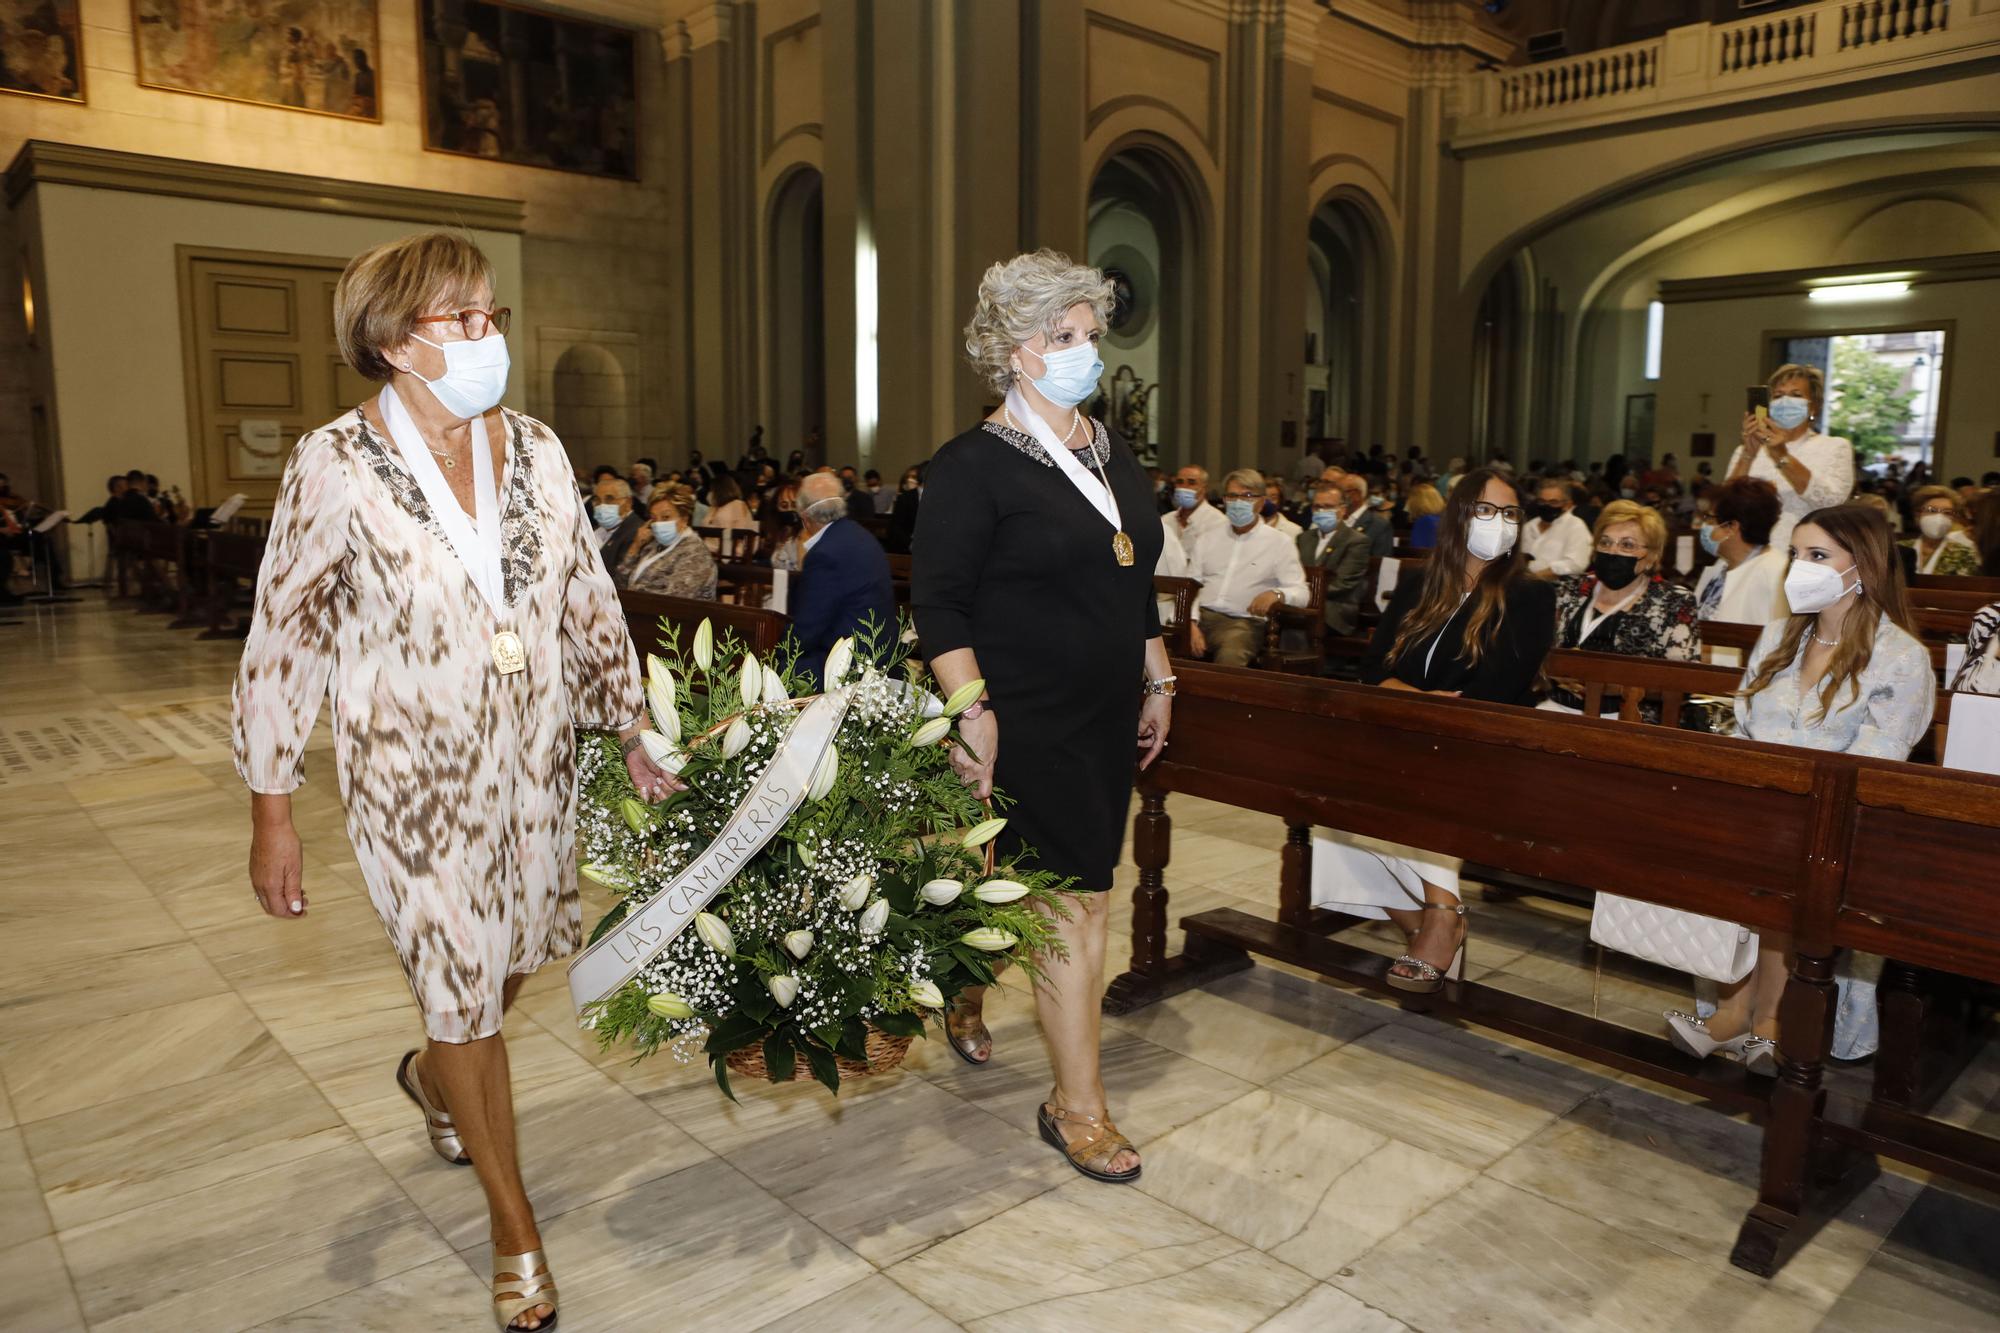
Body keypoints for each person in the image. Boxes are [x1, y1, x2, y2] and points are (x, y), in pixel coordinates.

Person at [232, 231, 679, 1333]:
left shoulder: (535, 446)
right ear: (390, 340)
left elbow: (583, 594)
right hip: (408, 778)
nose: (487, 338)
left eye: (491, 315)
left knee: (514, 957)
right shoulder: (334, 462)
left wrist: (625, 724)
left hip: (531, 756)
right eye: (460, 319)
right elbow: (282, 640)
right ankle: (514, 1227)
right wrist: (272, 805)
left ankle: (436, 1079)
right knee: (459, 987)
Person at [913, 249, 1170, 1185]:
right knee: (1074, 901)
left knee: (1030, 888)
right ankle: (1078, 1106)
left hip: (1104, 711)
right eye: (1062, 337)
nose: (1084, 353)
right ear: (1015, 352)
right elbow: (938, 604)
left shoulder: (1108, 451)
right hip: (1020, 714)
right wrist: (970, 709)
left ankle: (962, 986)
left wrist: (1160, 675)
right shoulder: (971, 466)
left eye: (1090, 334)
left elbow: (1129, 569)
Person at [1668, 505, 1933, 1074]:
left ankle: (1759, 1016)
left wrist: (1788, 804)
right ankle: (1749, 1013)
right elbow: (1741, 722)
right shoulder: (1779, 636)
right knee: (1726, 847)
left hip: (1842, 827)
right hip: (1764, 809)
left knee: (1788, 868)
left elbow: (1876, 766)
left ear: (1862, 566)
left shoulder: (1902, 657)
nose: (1798, 567)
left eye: (1817, 556)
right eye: (1795, 553)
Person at [1309, 469, 1556, 992]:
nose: (1500, 523)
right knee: (1334, 805)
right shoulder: (1421, 581)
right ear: (1460, 517)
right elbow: (1373, 669)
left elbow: (1495, 690)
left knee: (1418, 792)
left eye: (1510, 514)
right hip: (1407, 729)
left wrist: (1412, 699)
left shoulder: (1529, 594)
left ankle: (1442, 917)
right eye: (1487, 510)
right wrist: (1418, 701)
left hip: (1483, 743)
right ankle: (1426, 924)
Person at [1544, 501, 1699, 716]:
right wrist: (1553, 671)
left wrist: (1614, 686)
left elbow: (1682, 684)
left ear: (1651, 556)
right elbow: (1535, 650)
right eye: (1605, 543)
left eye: (1627, 545)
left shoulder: (1673, 601)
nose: (1612, 551)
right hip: (1556, 706)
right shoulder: (1569, 588)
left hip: (1626, 718)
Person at [1185, 468, 1309, 667]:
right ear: (1224, 500)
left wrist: (1277, 594)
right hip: (1198, 617)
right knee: (1154, 644)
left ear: (1261, 502)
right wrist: (1190, 623)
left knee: (1230, 656)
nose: (1238, 502)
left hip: (1242, 623)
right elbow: (1191, 585)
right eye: (1233, 496)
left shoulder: (1279, 542)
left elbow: (1301, 593)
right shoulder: (1208, 537)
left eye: (1248, 496)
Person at [1725, 363, 1854, 552]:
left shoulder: (1834, 447)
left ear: (1813, 407)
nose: (1785, 401)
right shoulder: (1747, 450)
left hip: (1801, 555)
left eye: (1796, 395)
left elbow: (1831, 503)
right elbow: (1724, 508)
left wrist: (1781, 455)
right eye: (1778, 396)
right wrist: (1748, 455)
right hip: (1749, 555)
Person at [791, 470, 896, 686]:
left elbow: (808, 627)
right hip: (878, 653)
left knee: (782, 665)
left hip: (850, 665)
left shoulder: (825, 553)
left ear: (804, 516)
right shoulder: (860, 535)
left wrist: (779, 656)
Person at [1693, 477, 1788, 649]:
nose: (1705, 526)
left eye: (1711, 520)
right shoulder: (1721, 564)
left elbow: (1771, 644)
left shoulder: (1775, 572)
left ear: (1732, 527)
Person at [614, 484, 717, 599]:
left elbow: (675, 597)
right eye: (654, 518)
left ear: (684, 519)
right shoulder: (653, 545)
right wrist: (636, 545)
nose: (658, 524)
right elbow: (620, 583)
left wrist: (631, 594)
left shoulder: (696, 553)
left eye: (666, 517)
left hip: (676, 615)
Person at [1298, 480, 1371, 638]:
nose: (1321, 511)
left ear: (1342, 510)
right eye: (1317, 507)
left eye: (1328, 507)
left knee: (1299, 622)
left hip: (1335, 609)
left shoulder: (1356, 541)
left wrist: (1303, 594)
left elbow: (1342, 583)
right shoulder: (1303, 538)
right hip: (1303, 603)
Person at [1901, 484, 1981, 577]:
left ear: (1954, 519)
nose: (1939, 517)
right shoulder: (1899, 549)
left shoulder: (1965, 555)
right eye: (1932, 510)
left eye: (1947, 512)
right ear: (1918, 514)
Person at [1519, 478, 1592, 577]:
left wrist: (1535, 578)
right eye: (1542, 501)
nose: (1546, 506)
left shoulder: (1576, 527)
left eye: (1553, 502)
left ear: (1567, 505)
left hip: (1557, 588)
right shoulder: (1529, 527)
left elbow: (1576, 564)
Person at [1161, 463, 1224, 560]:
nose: (1184, 487)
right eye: (1179, 482)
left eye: (1192, 483)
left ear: (1204, 488)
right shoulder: (1165, 520)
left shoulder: (1218, 522)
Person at [589, 475, 641, 567]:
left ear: (628, 503)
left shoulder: (636, 532)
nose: (602, 505)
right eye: (597, 500)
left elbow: (618, 574)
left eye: (609, 499)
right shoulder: (595, 529)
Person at [1341, 473, 1392, 557]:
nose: (1336, 496)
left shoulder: (1380, 525)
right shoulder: (1334, 519)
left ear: (1356, 494)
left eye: (1341, 491)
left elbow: (1381, 562)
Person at [1403, 482, 1444, 550]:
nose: (1408, 502)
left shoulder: (1424, 521)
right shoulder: (1439, 519)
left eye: (1409, 498)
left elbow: (1417, 551)